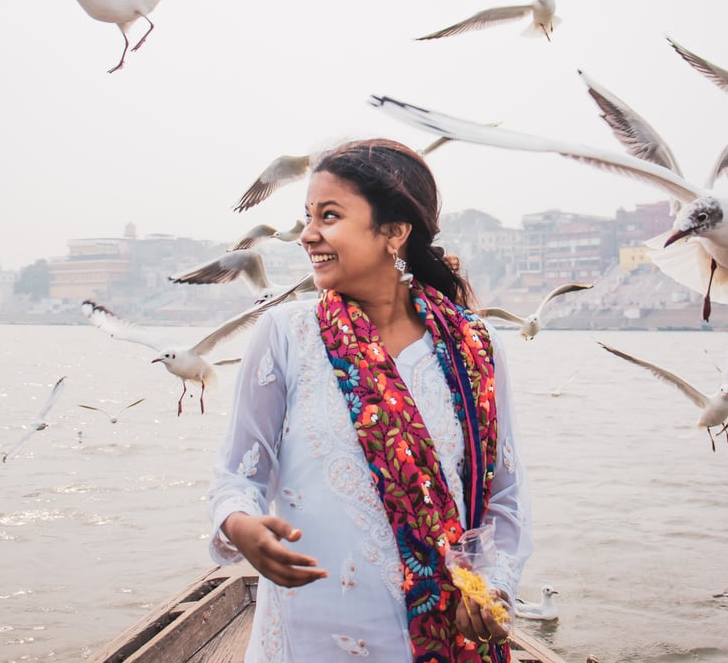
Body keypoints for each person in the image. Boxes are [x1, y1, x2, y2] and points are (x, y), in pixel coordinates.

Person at [207, 138, 531, 662]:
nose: (307, 235)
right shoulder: (288, 334)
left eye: (329, 216)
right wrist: (242, 526)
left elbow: (503, 500)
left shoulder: (473, 347)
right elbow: (235, 476)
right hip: (308, 632)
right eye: (307, 216)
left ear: (395, 232)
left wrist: (494, 588)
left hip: (435, 636)